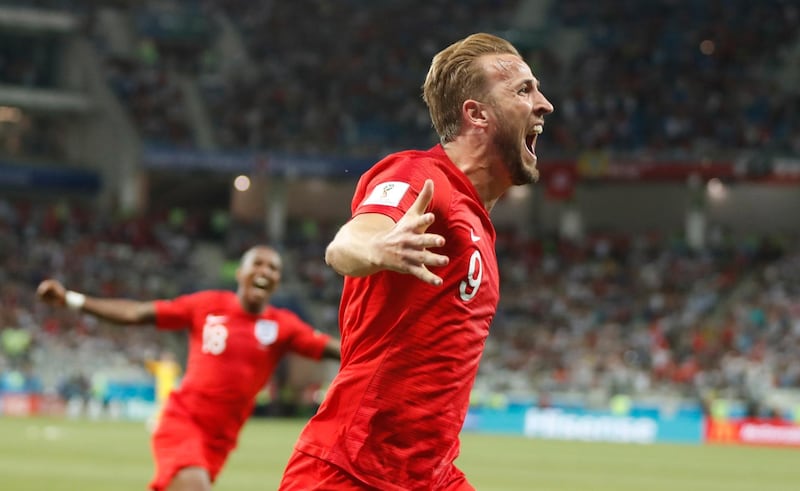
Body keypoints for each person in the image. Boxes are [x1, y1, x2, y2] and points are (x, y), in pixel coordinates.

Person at [279, 32, 554, 490]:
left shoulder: (476, 220)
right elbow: (349, 241)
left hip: (429, 476)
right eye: (523, 90)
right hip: (351, 469)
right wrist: (377, 248)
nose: (544, 104)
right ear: (476, 114)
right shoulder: (420, 177)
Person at [36, 245, 341, 491]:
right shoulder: (206, 305)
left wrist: (384, 352)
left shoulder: (283, 326)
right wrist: (72, 299)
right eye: (257, 264)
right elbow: (137, 313)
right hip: (184, 423)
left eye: (273, 268)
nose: (265, 271)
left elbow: (333, 348)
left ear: (278, 281)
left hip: (221, 441)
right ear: (241, 273)